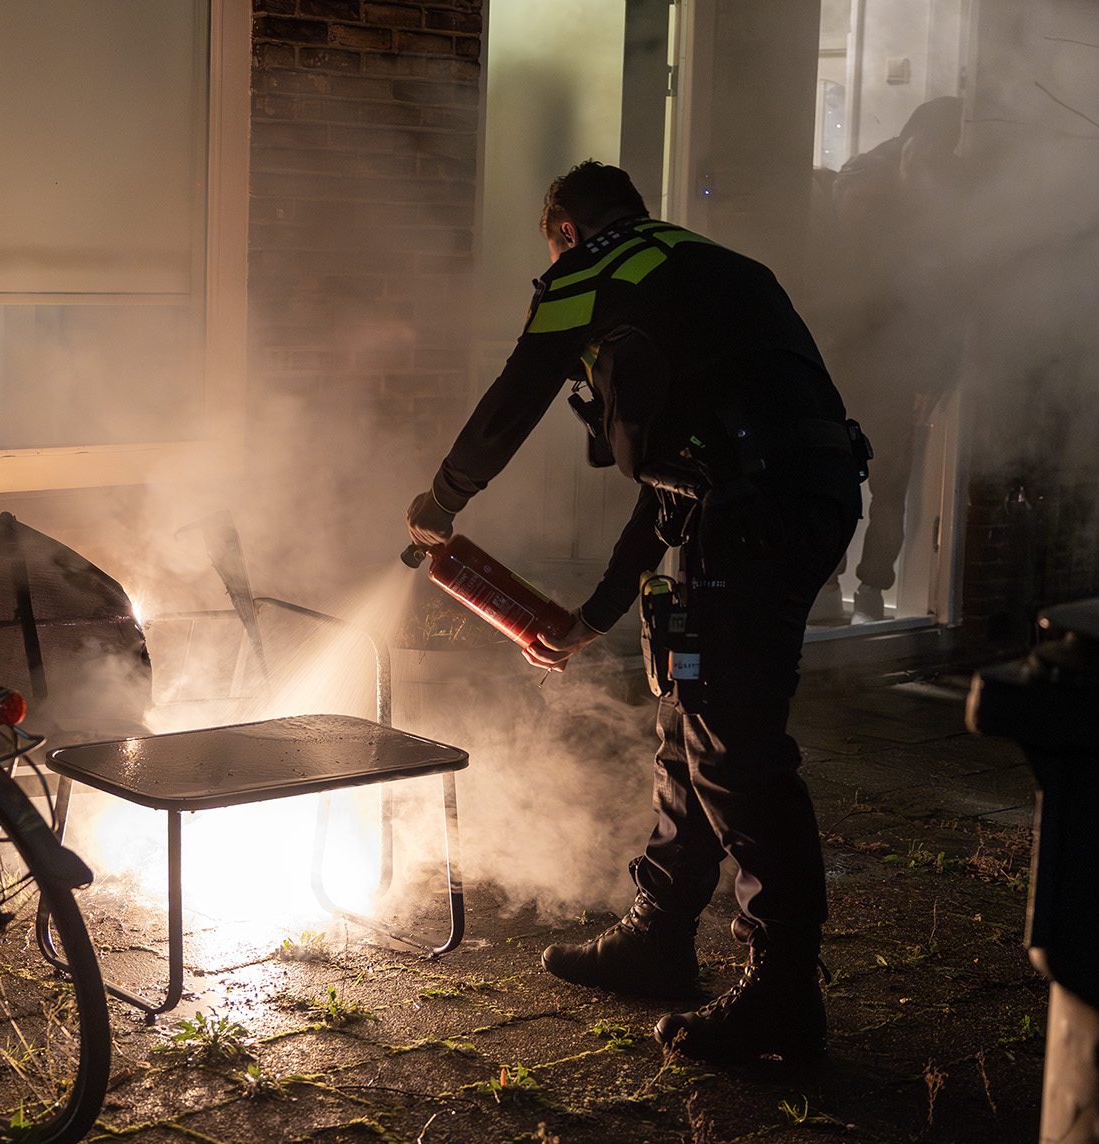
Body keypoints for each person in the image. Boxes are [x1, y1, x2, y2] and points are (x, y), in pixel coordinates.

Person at [405, 160, 865, 1062]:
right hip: (797, 496)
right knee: (693, 710)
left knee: (734, 741)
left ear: (565, 231)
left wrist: (443, 498)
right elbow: (683, 480)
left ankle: (781, 991)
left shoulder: (590, 271)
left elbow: (517, 394)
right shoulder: (710, 267)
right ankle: (659, 934)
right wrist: (595, 613)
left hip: (752, 511)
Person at [815, 97, 969, 622]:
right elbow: (935, 291)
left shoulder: (896, 179)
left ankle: (855, 587)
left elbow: (941, 293)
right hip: (865, 359)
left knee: (873, 483)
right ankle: (850, 586)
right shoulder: (876, 182)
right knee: (861, 482)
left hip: (877, 362)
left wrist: (933, 374)